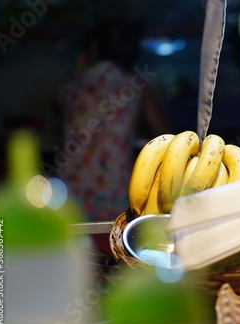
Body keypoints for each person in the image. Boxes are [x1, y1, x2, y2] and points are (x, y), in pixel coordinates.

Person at [54, 17, 171, 253]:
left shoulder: (72, 83)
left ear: (93, 48)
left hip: (71, 193)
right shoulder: (135, 86)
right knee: (114, 258)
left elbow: (58, 111)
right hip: (114, 193)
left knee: (79, 261)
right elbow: (165, 136)